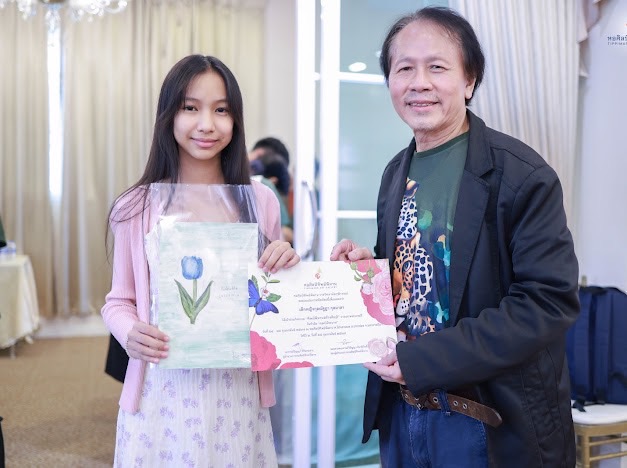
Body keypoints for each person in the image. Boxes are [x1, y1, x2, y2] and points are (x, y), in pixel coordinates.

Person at [330, 7, 579, 467]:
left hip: (487, 421)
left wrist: (423, 361)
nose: (419, 82)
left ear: (469, 80)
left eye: (437, 67)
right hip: (403, 412)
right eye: (405, 68)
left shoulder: (522, 175)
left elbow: (547, 302)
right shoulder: (395, 173)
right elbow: (412, 280)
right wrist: (368, 272)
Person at [101, 54, 299, 466]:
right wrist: (129, 331)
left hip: (238, 396)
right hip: (161, 396)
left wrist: (286, 264)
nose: (207, 124)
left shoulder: (261, 200)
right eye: (191, 108)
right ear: (168, 116)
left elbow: (272, 298)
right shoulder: (136, 206)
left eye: (221, 110)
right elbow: (118, 301)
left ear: (235, 120)